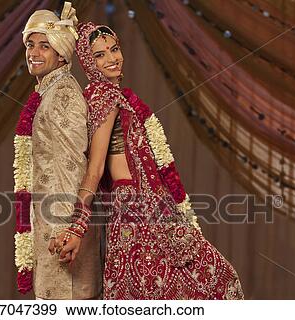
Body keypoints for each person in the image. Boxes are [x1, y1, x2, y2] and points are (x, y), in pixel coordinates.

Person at [55, 22, 244, 300]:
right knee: (204, 283)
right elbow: (95, 169)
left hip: (148, 206)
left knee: (161, 291)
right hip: (137, 209)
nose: (112, 59)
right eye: (100, 55)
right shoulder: (104, 97)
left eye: (114, 49)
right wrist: (77, 227)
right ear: (87, 62)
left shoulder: (112, 96)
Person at [13, 5, 102, 300]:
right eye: (30, 44)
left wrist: (68, 230)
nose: (34, 52)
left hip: (61, 233)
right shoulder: (48, 92)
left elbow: (73, 164)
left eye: (44, 46)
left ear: (62, 53)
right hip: (52, 228)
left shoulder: (62, 93)